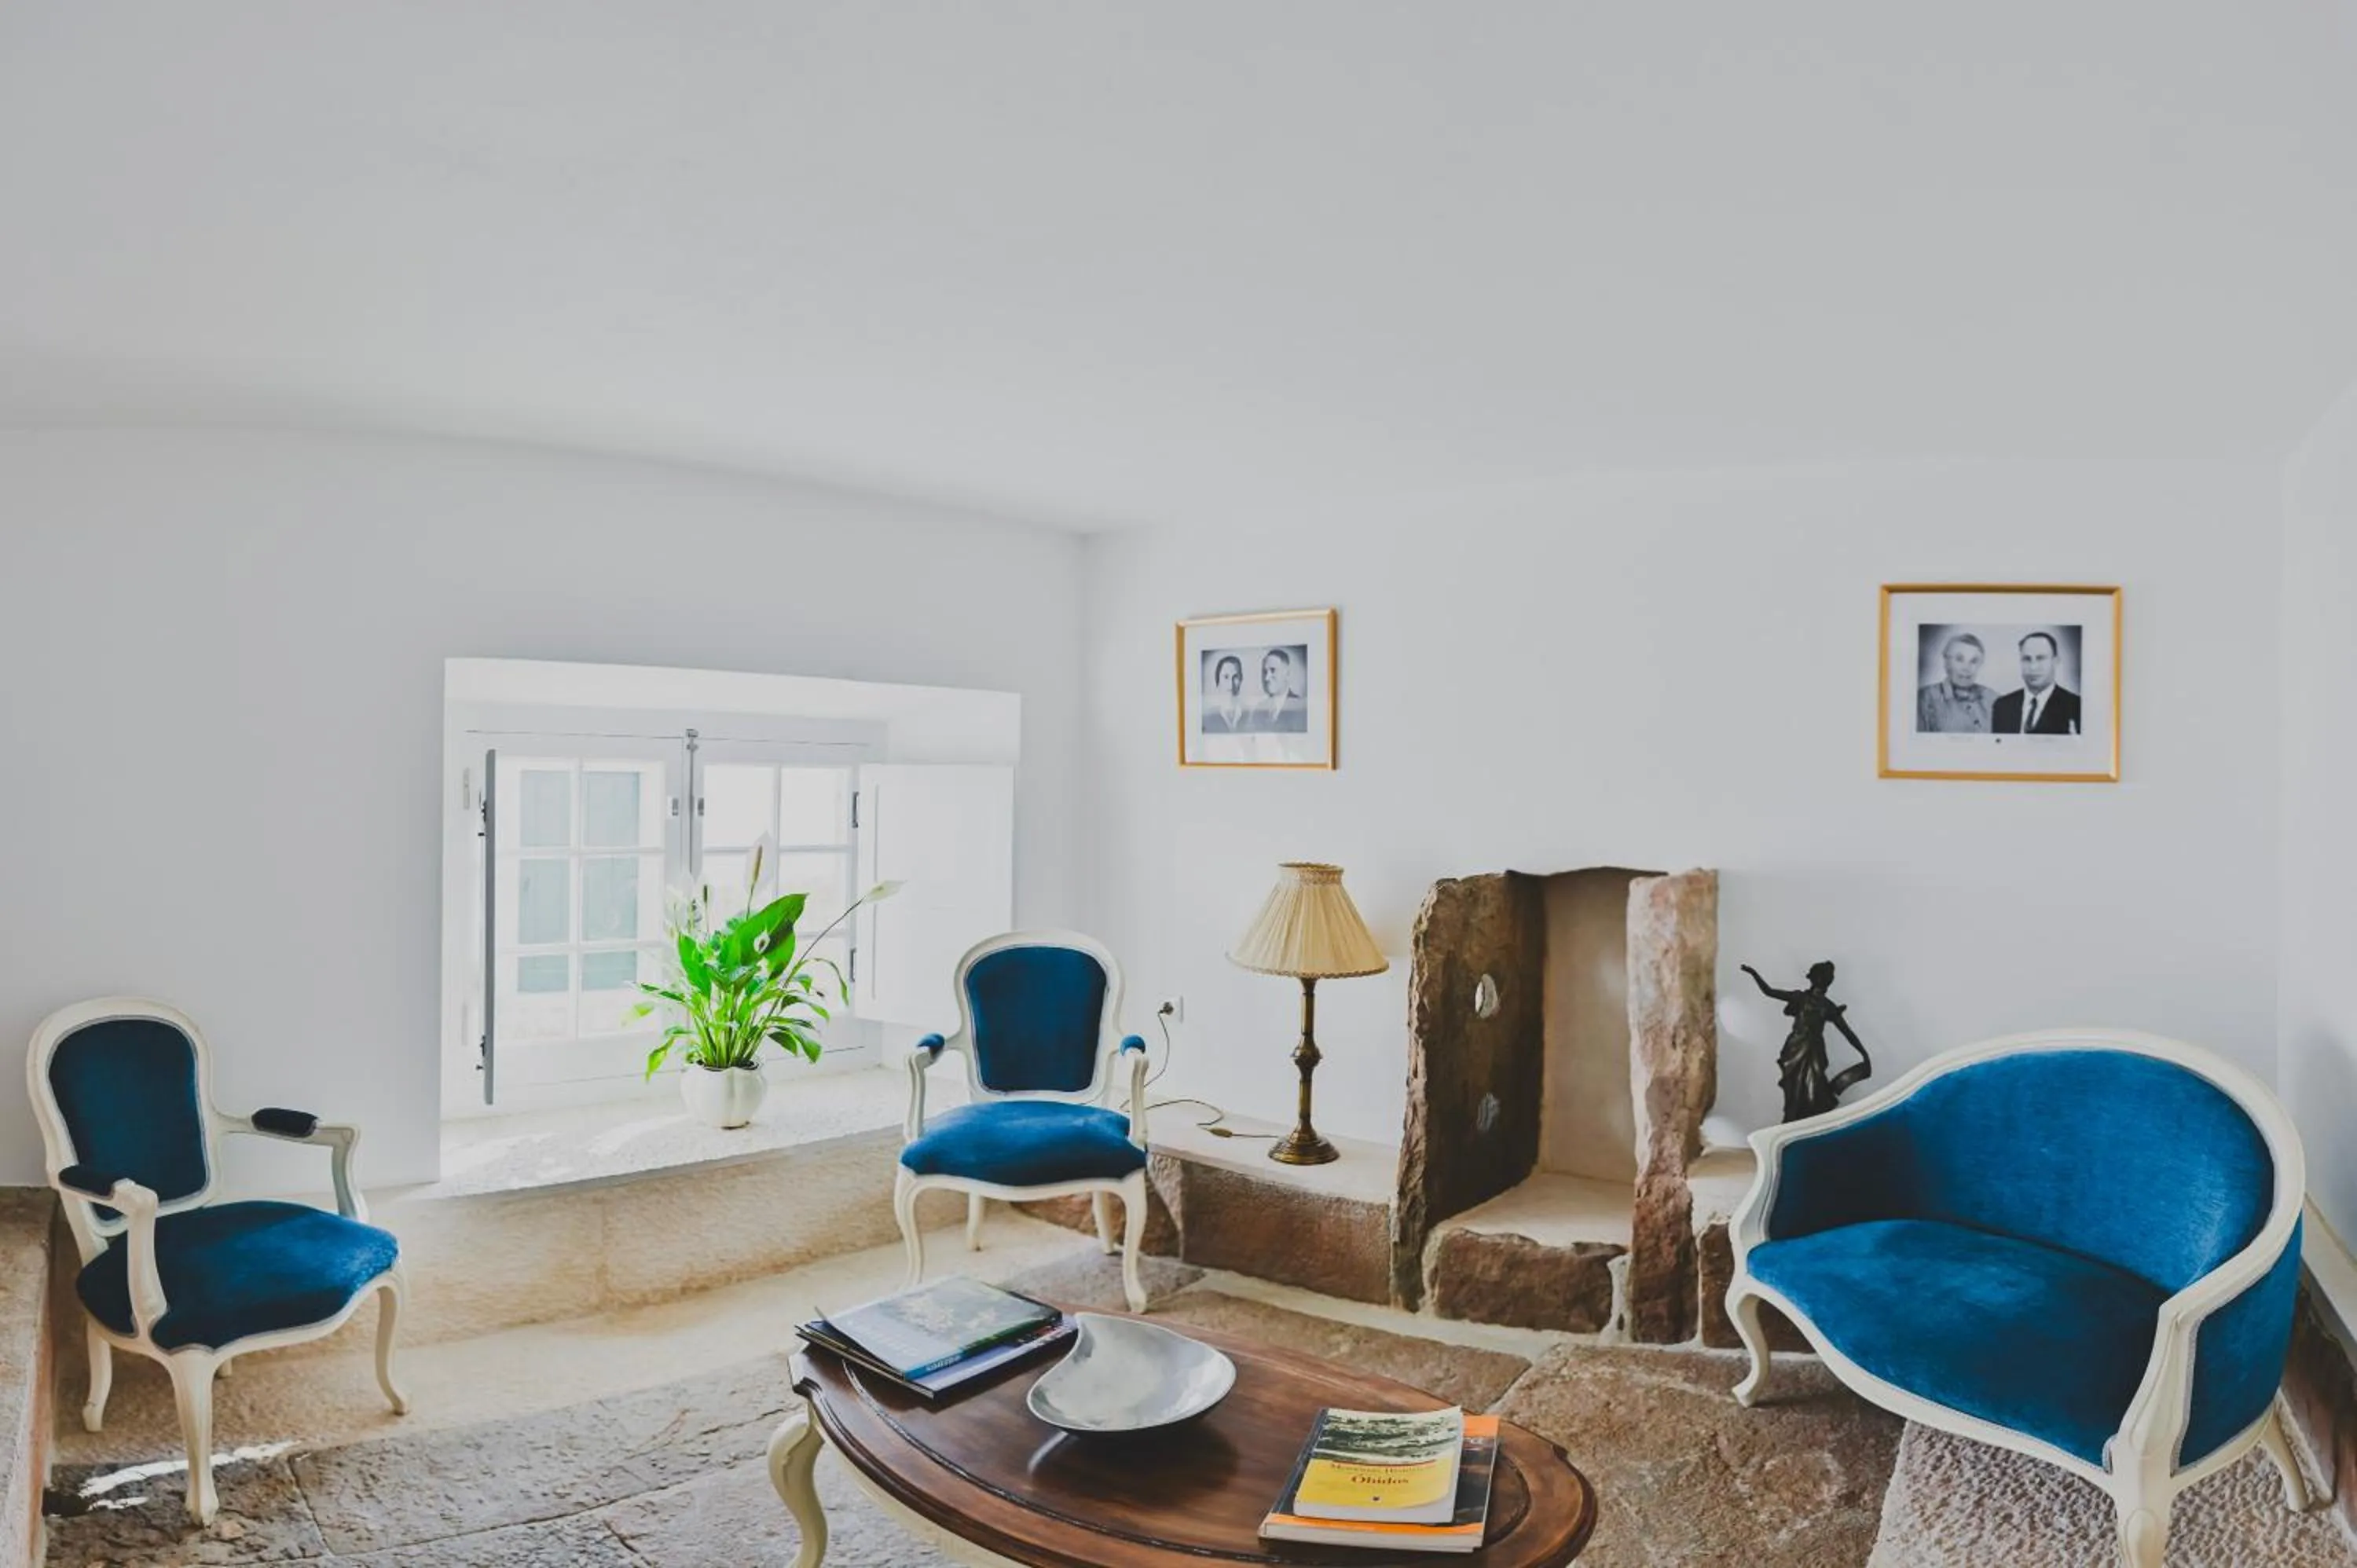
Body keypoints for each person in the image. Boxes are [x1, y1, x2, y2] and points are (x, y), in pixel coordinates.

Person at [1739, 961, 1873, 1123]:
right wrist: (1753, 973)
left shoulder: (1828, 1006)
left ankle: (1810, 1126)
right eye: (1823, 979)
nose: (1825, 983)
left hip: (1814, 1051)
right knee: (1794, 1089)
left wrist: (1863, 1052)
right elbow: (1769, 991)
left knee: (1816, 1091)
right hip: (1795, 1049)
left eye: (1828, 980)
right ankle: (1791, 1123)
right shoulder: (1800, 998)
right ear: (1815, 979)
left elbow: (1848, 1033)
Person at [1991, 631, 2082, 735]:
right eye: (2027, 659)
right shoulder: (2002, 706)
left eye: (2041, 658)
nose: (2033, 667)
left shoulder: (2076, 707)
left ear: (2055, 661)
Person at [1915, 632, 1998, 733]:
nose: (1966, 668)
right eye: (1959, 659)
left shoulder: (1993, 698)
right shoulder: (1923, 699)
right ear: (1946, 662)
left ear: (1980, 665)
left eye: (1974, 661)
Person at [1244, 647, 1308, 732]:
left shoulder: (1301, 708)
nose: (1267, 678)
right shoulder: (1259, 709)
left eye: (1273, 670)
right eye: (1265, 672)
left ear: (1287, 673)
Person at [1205, 654, 1248, 732]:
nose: (1230, 683)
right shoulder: (1208, 718)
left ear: (1241, 680)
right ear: (1218, 682)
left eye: (1235, 677)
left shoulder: (1250, 715)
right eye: (1226, 677)